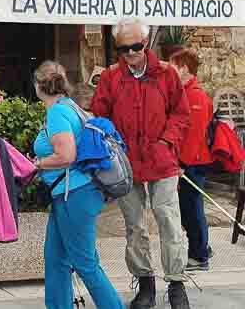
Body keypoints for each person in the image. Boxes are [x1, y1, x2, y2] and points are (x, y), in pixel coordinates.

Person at [90, 18, 190, 309]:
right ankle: (145, 284)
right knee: (135, 226)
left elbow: (181, 115)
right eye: (124, 49)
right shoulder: (111, 78)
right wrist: (112, 148)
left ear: (146, 44)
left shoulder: (167, 75)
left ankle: (176, 283)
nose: (130, 54)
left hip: (162, 161)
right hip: (127, 164)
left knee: (168, 220)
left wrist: (166, 142)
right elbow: (99, 116)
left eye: (136, 47)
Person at [32, 61, 123, 309]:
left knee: (85, 263)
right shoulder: (70, 106)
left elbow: (66, 155)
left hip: (75, 194)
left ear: (38, 86)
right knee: (56, 259)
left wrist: (38, 164)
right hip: (71, 193)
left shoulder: (57, 113)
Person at [169, 49, 214, 272]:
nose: (170, 69)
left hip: (193, 163)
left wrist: (181, 164)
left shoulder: (195, 96)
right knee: (187, 209)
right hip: (186, 161)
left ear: (184, 68)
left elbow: (194, 136)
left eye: (173, 65)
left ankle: (199, 256)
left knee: (192, 209)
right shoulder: (183, 93)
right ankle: (202, 245)